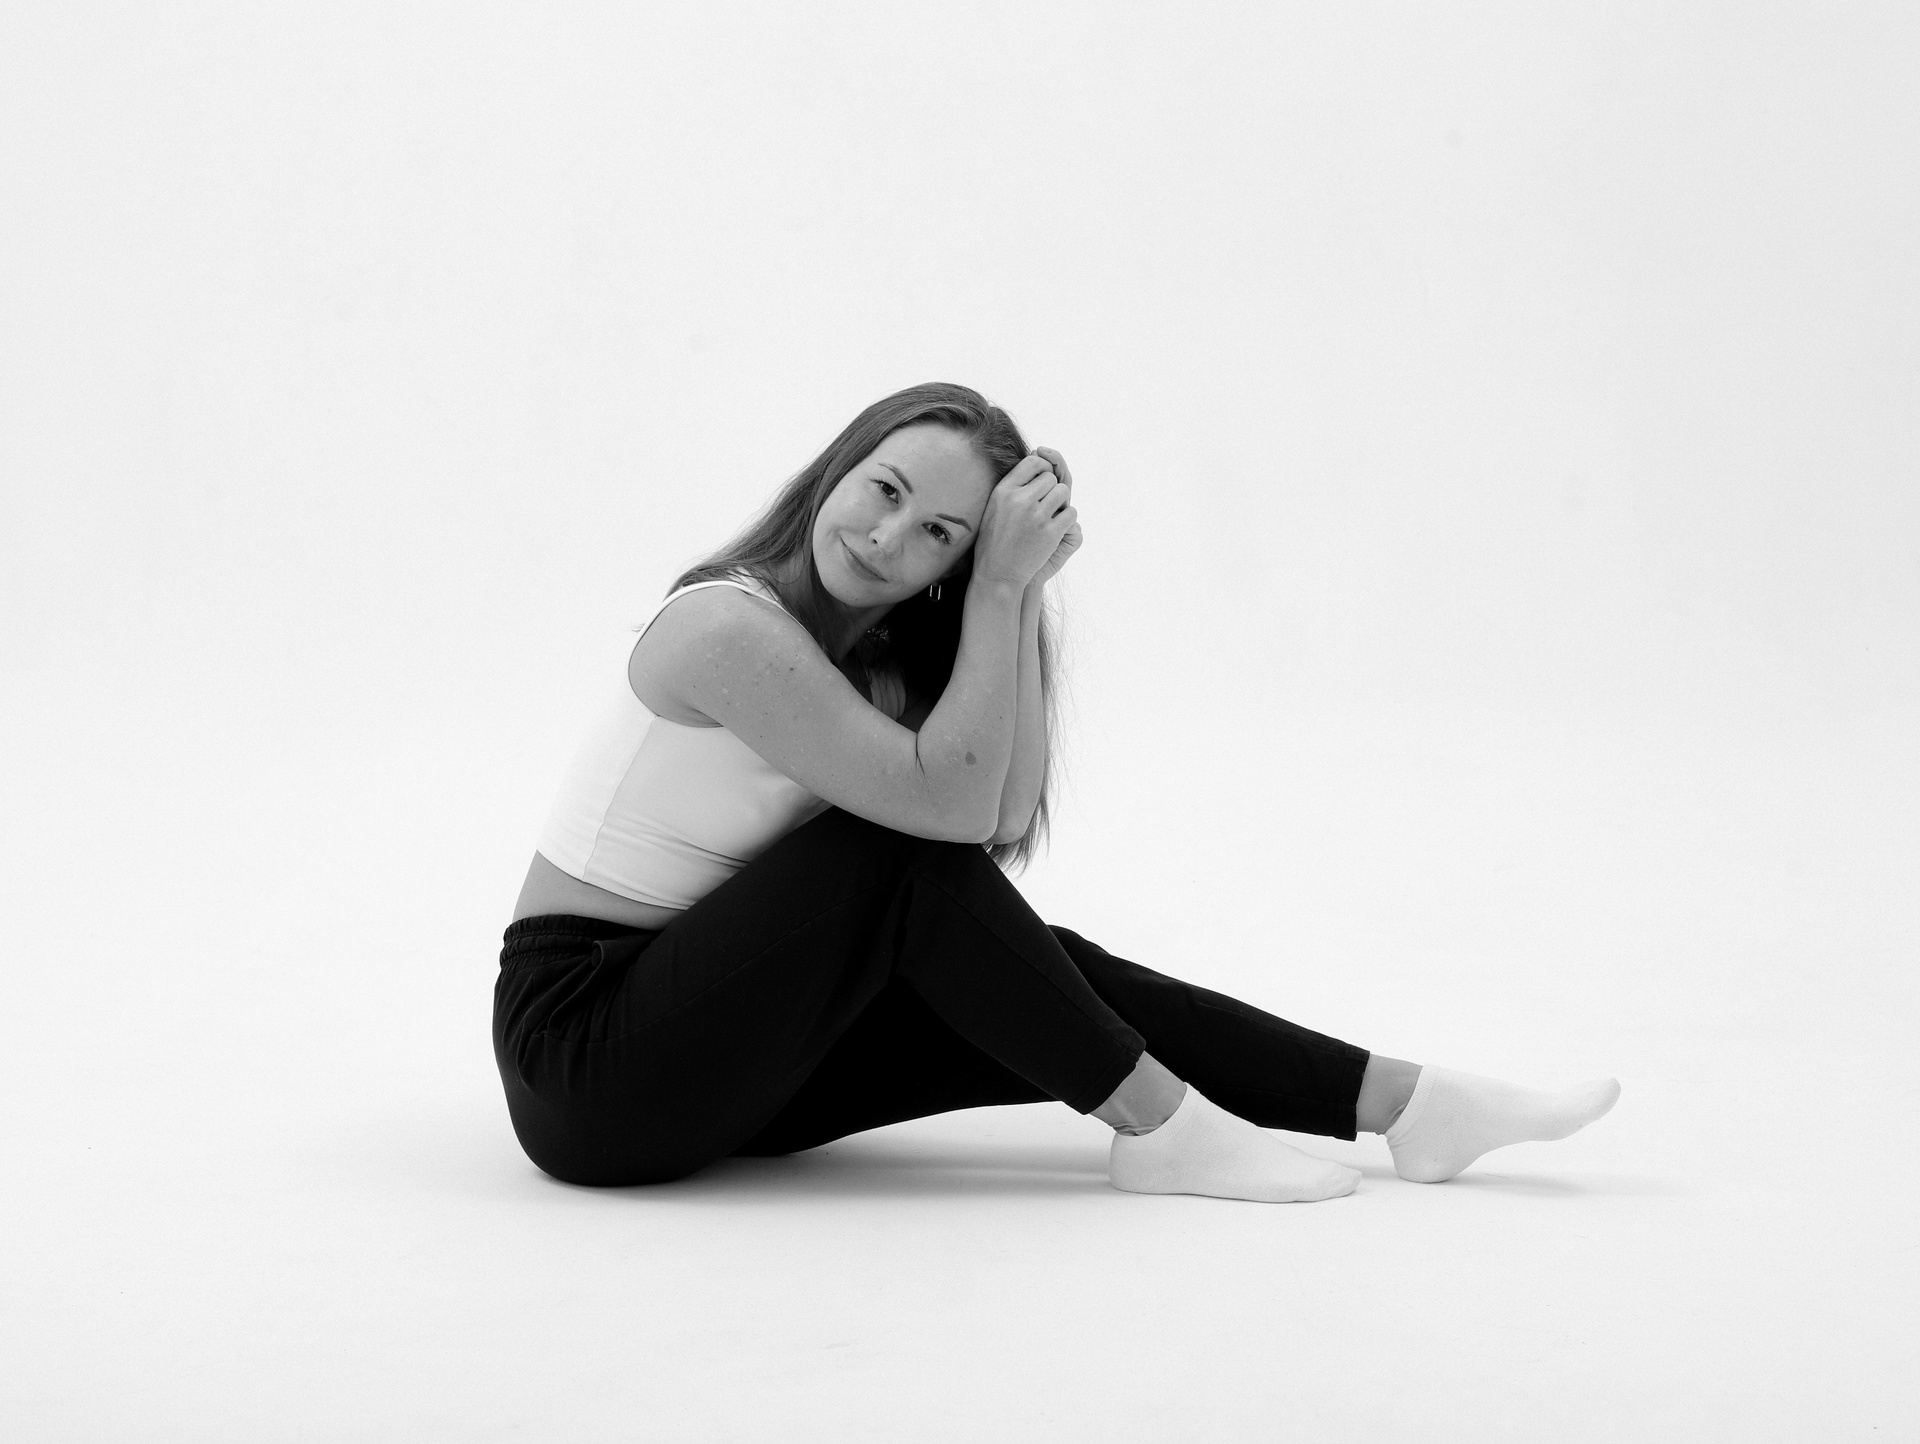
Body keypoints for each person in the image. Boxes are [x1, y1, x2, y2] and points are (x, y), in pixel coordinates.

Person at [495, 382, 1619, 1201]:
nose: (887, 538)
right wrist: (990, 582)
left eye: (939, 534)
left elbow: (994, 813)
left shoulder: (874, 667)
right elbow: (942, 822)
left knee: (1039, 973)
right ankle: (1162, 1129)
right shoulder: (726, 627)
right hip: (587, 1057)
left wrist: (1017, 587)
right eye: (884, 489)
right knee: (893, 858)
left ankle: (1408, 1105)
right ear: (838, 465)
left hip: (723, 1056)